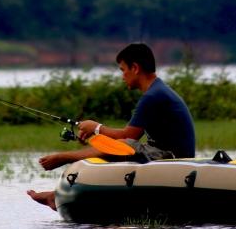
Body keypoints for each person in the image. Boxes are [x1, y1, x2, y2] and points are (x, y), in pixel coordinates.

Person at [27, 42, 196, 210]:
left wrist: (96, 127)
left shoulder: (152, 96)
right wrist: (96, 137)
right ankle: (56, 195)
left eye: (123, 70)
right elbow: (129, 137)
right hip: (161, 153)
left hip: (172, 158)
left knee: (123, 146)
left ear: (135, 68)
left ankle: (64, 158)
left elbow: (128, 137)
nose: (122, 76)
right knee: (121, 147)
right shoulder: (157, 91)